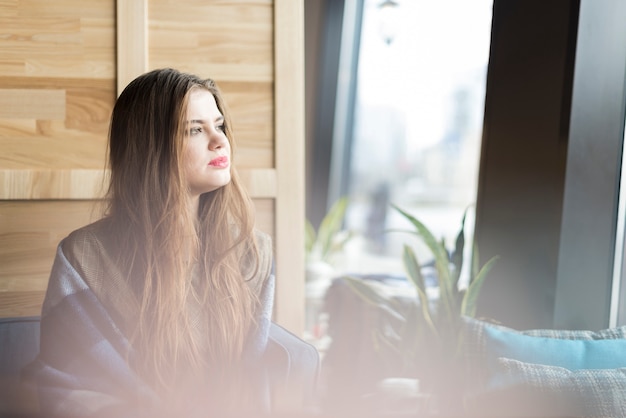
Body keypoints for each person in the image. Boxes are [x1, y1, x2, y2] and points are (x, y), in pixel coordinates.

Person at [24, 68, 314, 417]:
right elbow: (67, 389)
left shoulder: (252, 252)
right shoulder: (84, 258)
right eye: (195, 129)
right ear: (151, 147)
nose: (219, 140)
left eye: (219, 125)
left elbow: (257, 380)